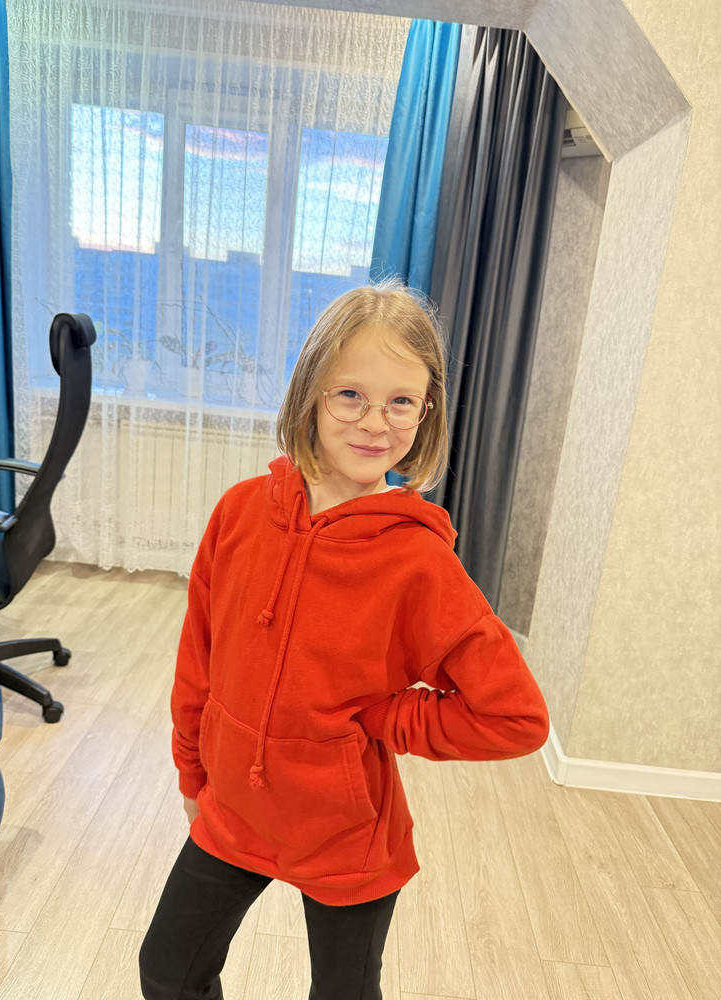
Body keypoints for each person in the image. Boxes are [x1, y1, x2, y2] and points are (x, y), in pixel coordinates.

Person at [139, 281, 549, 1000]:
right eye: (350, 395)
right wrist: (192, 776)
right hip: (231, 807)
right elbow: (198, 659)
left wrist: (387, 717)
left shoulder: (419, 560)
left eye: (401, 401)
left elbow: (515, 717)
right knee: (167, 972)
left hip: (345, 834)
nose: (374, 422)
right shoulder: (240, 512)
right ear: (311, 394)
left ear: (427, 410)